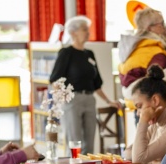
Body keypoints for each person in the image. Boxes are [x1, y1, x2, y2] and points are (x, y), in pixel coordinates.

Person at [50, 15, 120, 155]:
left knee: (89, 141)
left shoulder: (89, 54)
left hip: (89, 100)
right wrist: (62, 99)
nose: (88, 32)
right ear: (73, 33)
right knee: (75, 141)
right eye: (84, 29)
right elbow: (55, 79)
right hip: (72, 101)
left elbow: (96, 84)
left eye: (88, 29)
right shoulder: (66, 53)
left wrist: (108, 101)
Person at [119, 8, 166, 109]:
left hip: (139, 108)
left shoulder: (130, 51)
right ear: (149, 28)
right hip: (156, 111)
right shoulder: (156, 53)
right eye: (162, 24)